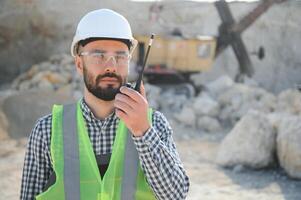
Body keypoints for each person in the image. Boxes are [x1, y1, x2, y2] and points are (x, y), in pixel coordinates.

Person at [20, 8, 189, 200]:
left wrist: (142, 131)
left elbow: (176, 196)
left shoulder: (154, 124)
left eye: (120, 56)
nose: (110, 65)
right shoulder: (47, 130)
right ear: (79, 64)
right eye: (98, 55)